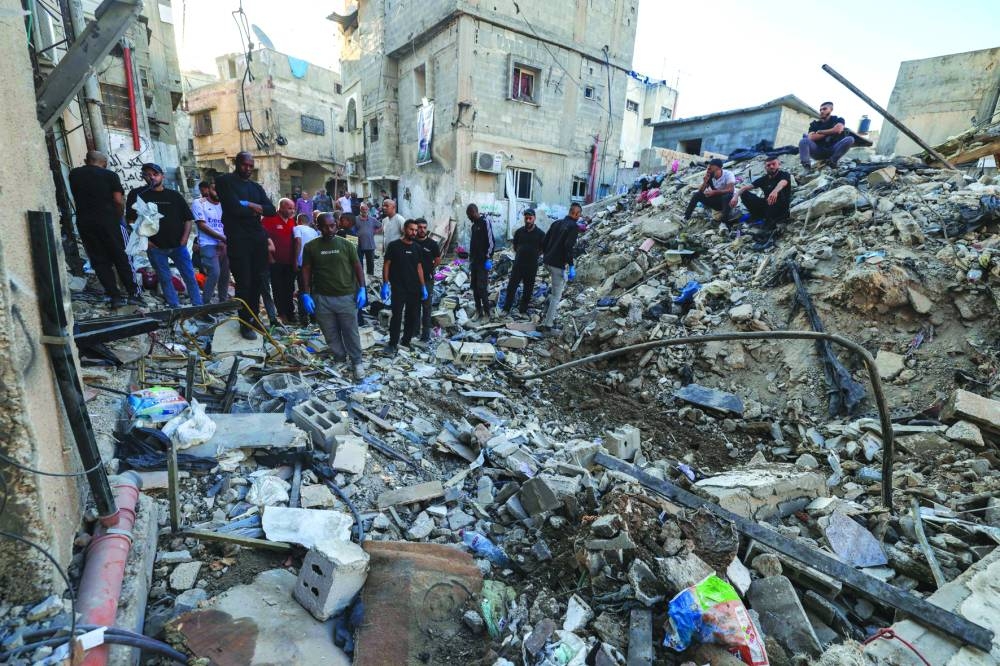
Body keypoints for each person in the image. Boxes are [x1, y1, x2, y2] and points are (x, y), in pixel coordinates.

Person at [214, 151, 276, 338]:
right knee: (244, 282)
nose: (248, 169)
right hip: (238, 239)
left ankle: (254, 318)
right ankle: (244, 322)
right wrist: (256, 209)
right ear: (236, 163)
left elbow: (271, 210)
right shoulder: (225, 181)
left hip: (257, 238)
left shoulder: (255, 188)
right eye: (244, 165)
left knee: (258, 280)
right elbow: (233, 208)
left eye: (251, 166)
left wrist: (250, 205)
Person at [67, 150, 140, 307]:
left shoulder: (74, 174)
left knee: (99, 260)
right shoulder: (110, 175)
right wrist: (120, 217)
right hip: (109, 221)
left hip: (85, 222)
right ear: (104, 163)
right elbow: (118, 200)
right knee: (122, 257)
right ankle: (133, 293)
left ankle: (115, 296)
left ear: (86, 160)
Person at [126, 163, 202, 308]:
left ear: (162, 176)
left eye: (155, 174)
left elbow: (187, 218)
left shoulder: (174, 195)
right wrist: (145, 242)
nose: (152, 177)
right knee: (165, 278)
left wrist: (185, 239)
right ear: (144, 177)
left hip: (178, 246)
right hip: (155, 247)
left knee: (189, 277)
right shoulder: (138, 196)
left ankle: (198, 307)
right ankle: (175, 308)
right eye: (148, 175)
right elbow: (131, 221)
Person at [300, 213, 367, 376]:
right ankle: (339, 358)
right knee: (330, 332)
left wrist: (362, 288)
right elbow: (306, 270)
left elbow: (358, 267)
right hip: (322, 297)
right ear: (318, 227)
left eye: (332, 226)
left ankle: (357, 362)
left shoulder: (347, 244)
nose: (329, 229)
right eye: (325, 226)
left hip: (346, 295)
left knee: (350, 331)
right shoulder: (310, 247)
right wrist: (305, 293)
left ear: (336, 225)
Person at [382, 219, 427, 354]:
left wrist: (423, 286)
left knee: (411, 316)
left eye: (415, 230)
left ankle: (406, 341)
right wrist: (385, 283)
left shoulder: (417, 248)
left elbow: (419, 267)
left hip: (414, 288)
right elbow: (386, 265)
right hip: (398, 287)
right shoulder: (394, 246)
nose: (414, 232)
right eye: (411, 229)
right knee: (396, 316)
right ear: (404, 230)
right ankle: (392, 343)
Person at [541, 202, 582, 330]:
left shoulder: (556, 223)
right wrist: (571, 265)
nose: (579, 217)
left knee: (553, 291)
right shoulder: (573, 227)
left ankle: (545, 314)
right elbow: (568, 247)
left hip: (547, 261)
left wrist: (548, 254)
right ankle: (548, 325)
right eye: (579, 214)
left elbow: (544, 241)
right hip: (557, 265)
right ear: (575, 213)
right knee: (556, 296)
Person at [731, 156, 792, 234]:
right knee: (744, 193)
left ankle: (769, 222)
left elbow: (783, 183)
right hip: (767, 205)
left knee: (773, 200)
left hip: (781, 207)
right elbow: (745, 188)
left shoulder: (784, 175)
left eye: (774, 164)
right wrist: (735, 196)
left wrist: (775, 191)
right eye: (768, 165)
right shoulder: (764, 179)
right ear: (765, 167)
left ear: (778, 164)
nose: (771, 167)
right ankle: (757, 216)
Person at [502, 208, 545, 317]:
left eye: (530, 218)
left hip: (531, 266)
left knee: (528, 289)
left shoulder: (540, 234)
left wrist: (534, 255)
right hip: (518, 265)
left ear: (534, 218)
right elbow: (515, 246)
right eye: (526, 218)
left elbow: (543, 249)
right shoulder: (519, 232)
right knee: (511, 287)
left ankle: (523, 310)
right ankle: (506, 308)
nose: (528, 220)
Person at [192, 180, 229, 304]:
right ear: (208, 190)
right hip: (208, 243)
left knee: (225, 275)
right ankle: (205, 304)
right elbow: (202, 225)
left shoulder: (225, 204)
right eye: (214, 189)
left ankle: (223, 303)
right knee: (214, 273)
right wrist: (222, 238)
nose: (217, 192)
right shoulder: (199, 203)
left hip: (224, 244)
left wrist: (225, 241)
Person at [262, 198, 298, 324]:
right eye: (289, 208)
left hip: (289, 261)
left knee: (289, 288)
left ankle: (291, 313)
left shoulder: (293, 221)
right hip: (274, 262)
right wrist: (270, 257)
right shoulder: (268, 220)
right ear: (280, 207)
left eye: (293, 208)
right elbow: (263, 239)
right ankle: (281, 313)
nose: (292, 210)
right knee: (278, 288)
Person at [800, 101, 855, 169]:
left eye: (824, 109)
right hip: (817, 150)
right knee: (803, 141)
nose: (822, 111)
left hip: (833, 149)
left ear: (831, 109)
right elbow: (811, 137)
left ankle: (832, 161)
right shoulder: (814, 124)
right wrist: (832, 131)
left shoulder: (838, 119)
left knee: (850, 139)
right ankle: (806, 166)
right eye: (820, 110)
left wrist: (820, 132)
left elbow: (838, 130)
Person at [683, 158, 736, 225]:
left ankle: (724, 223)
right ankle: (686, 217)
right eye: (709, 169)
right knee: (697, 195)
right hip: (717, 202)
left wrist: (714, 192)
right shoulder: (710, 175)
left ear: (719, 169)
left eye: (711, 169)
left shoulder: (728, 174)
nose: (709, 171)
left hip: (728, 203)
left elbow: (730, 190)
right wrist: (705, 182)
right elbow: (701, 191)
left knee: (727, 196)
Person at [466, 204, 495, 320]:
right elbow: (474, 245)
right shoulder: (474, 227)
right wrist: (469, 257)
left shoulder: (485, 222)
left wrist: (488, 257)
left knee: (482, 288)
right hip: (474, 262)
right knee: (474, 287)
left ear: (473, 212)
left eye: (469, 215)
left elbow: (491, 242)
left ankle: (487, 314)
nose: (469, 218)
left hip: (483, 262)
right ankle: (478, 311)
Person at [415, 218, 441, 342]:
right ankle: (414, 331)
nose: (422, 230)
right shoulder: (412, 242)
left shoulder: (432, 244)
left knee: (426, 308)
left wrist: (430, 269)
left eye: (424, 227)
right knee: (414, 306)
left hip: (427, 280)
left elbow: (437, 259)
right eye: (419, 227)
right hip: (412, 280)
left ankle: (425, 334)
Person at [293, 212, 321, 323]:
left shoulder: (297, 228)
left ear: (298, 220)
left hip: (302, 263)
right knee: (312, 289)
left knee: (302, 290)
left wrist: (295, 259)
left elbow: (298, 242)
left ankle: (303, 318)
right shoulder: (314, 231)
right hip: (313, 263)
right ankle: (314, 317)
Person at [355, 203, 377, 276]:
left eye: (366, 209)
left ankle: (370, 277)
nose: (364, 211)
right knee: (359, 263)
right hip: (359, 244)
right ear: (360, 210)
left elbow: (381, 226)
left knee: (370, 263)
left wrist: (375, 231)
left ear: (368, 210)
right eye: (362, 209)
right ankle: (361, 277)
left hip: (370, 245)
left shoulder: (372, 219)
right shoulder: (356, 219)